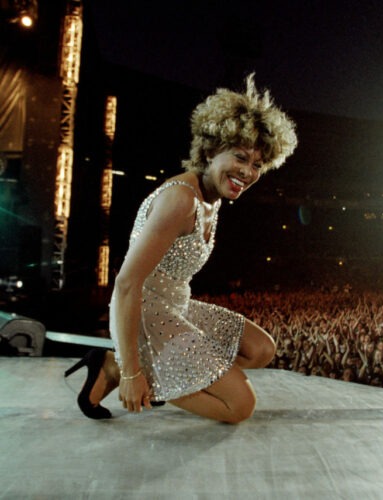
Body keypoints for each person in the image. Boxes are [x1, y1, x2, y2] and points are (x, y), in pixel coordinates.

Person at [65, 74, 297, 423]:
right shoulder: (180, 200)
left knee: (261, 349)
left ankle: (140, 371)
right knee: (240, 408)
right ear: (211, 149)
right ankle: (118, 367)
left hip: (175, 306)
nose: (248, 172)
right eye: (240, 157)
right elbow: (126, 284)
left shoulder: (214, 197)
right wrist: (132, 371)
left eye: (257, 165)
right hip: (143, 311)